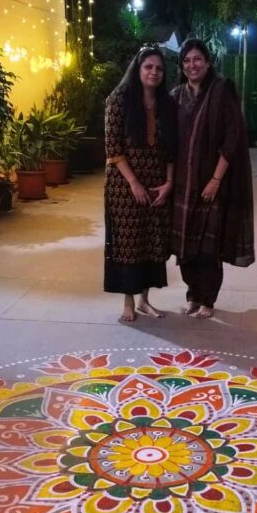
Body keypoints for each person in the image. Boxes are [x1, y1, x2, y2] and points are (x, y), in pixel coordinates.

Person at [171, 38, 254, 318]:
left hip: (211, 182)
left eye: (197, 59)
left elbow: (232, 140)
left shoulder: (221, 91)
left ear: (207, 62)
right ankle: (193, 295)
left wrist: (216, 180)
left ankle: (208, 300)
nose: (192, 65)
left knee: (208, 245)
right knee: (184, 245)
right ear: (182, 65)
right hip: (183, 183)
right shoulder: (176, 96)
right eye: (186, 61)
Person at [104, 46, 177, 322]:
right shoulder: (119, 100)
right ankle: (128, 302)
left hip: (157, 182)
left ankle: (146, 300)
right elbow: (113, 148)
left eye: (159, 68)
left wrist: (169, 182)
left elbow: (172, 149)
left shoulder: (166, 104)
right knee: (128, 241)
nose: (154, 72)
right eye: (148, 67)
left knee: (152, 242)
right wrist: (133, 183)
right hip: (124, 185)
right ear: (138, 68)